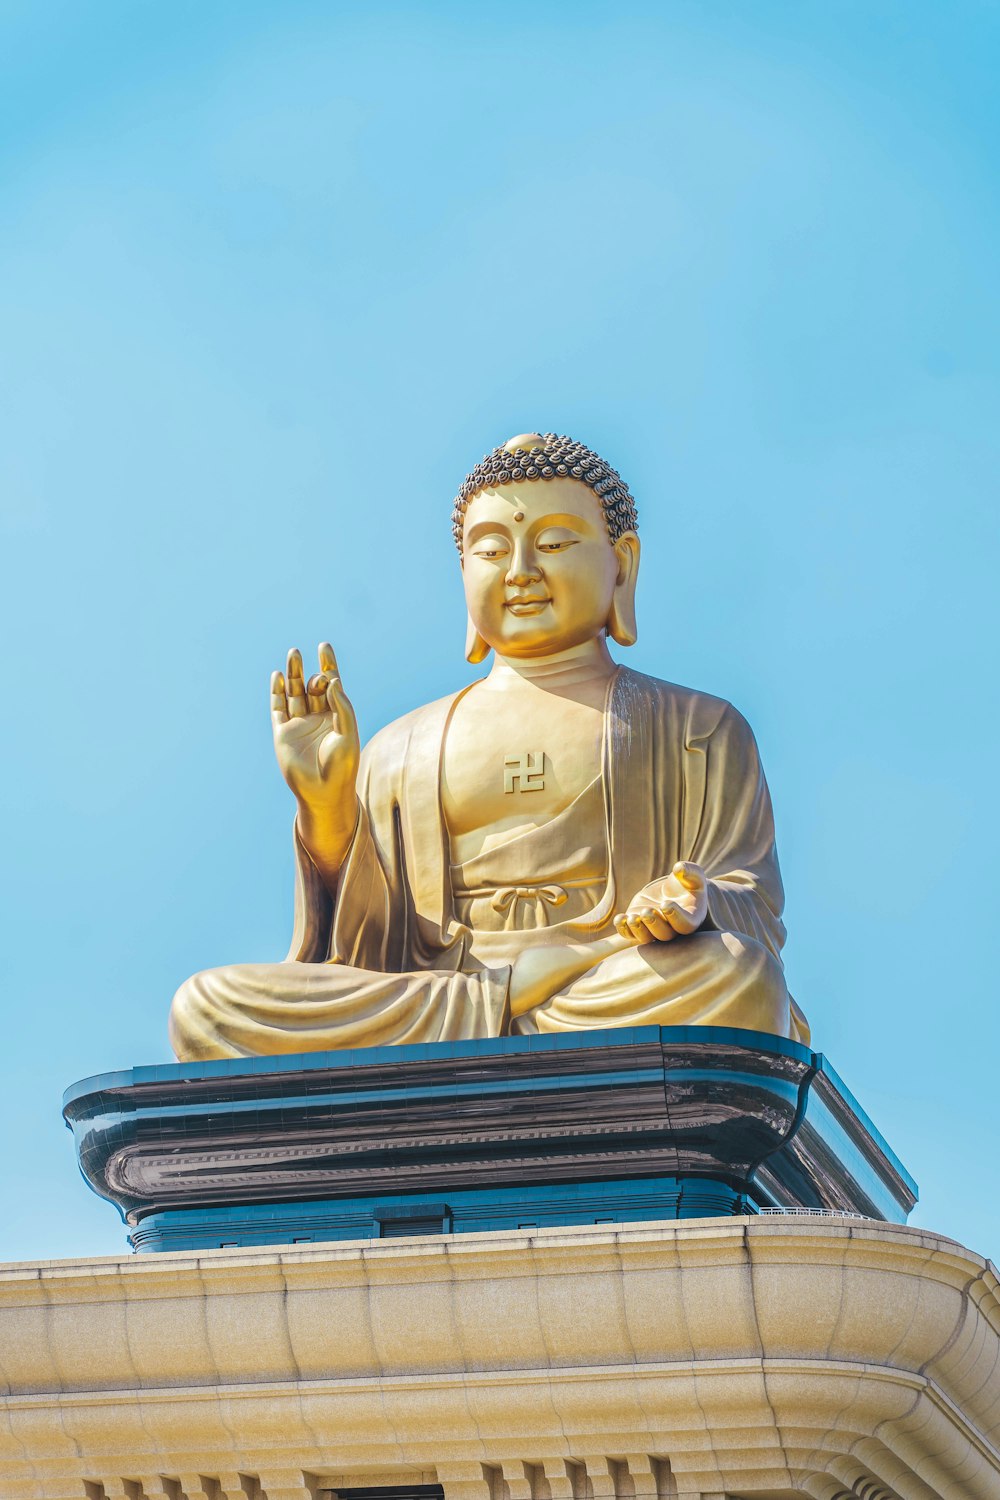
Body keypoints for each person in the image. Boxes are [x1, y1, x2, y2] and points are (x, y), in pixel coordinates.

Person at [170, 433, 809, 1060]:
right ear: (463, 574)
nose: (522, 572)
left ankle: (488, 1035)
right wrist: (327, 808)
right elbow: (365, 955)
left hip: (612, 982)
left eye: (556, 543)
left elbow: (750, 901)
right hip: (443, 996)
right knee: (205, 1007)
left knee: (737, 975)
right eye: (492, 550)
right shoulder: (400, 748)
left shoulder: (695, 726)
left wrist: (696, 902)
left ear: (623, 563)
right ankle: (508, 1023)